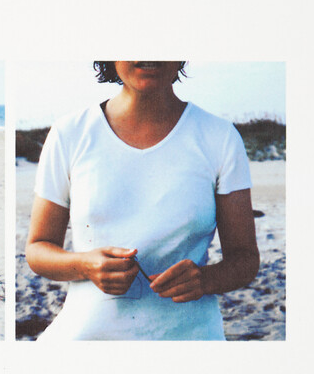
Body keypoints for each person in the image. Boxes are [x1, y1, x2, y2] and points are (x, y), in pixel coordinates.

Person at [25, 61, 259, 340]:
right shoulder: (70, 133)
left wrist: (207, 280)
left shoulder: (219, 137)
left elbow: (245, 258)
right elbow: (38, 249)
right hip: (87, 337)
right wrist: (86, 265)